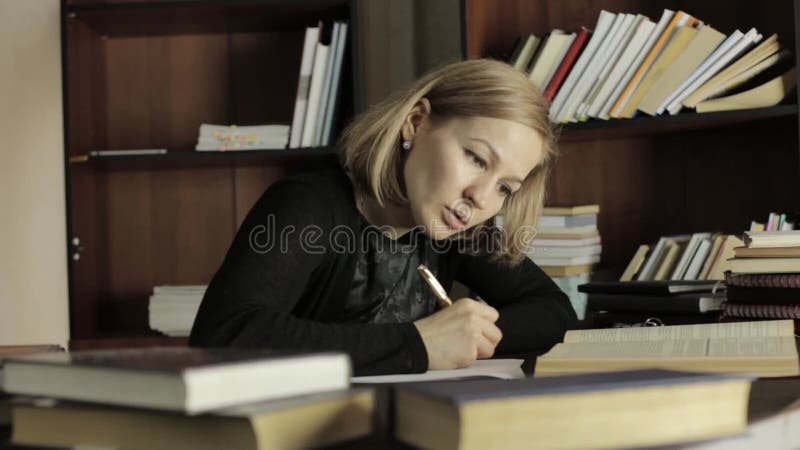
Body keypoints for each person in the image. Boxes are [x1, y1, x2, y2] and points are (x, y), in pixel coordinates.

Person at [189, 59, 578, 375]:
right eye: (476, 158)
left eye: (505, 188)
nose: (480, 197)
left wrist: (468, 336)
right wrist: (417, 345)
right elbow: (224, 334)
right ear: (416, 122)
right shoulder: (309, 203)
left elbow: (554, 312)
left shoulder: (455, 228)